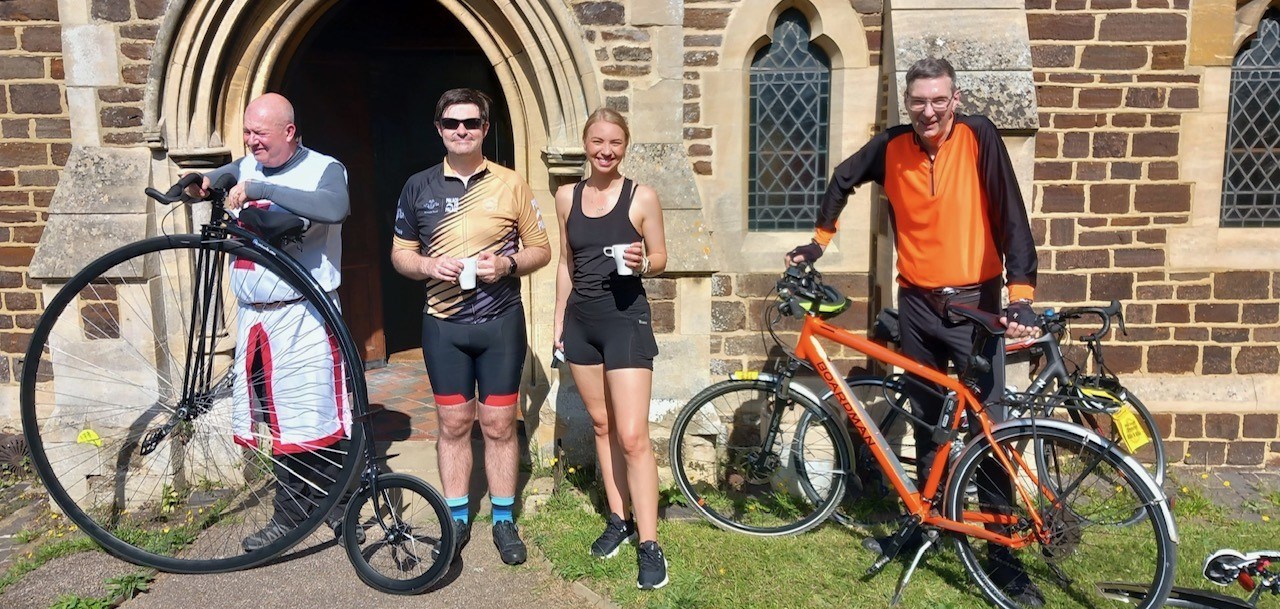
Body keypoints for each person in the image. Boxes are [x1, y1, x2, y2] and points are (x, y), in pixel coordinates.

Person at [786, 57, 1043, 606]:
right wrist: (819, 241)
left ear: (955, 99)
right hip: (919, 305)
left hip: (977, 304)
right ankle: (932, 523)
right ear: (908, 102)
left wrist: (1021, 297)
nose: (929, 111)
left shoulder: (980, 136)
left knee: (987, 428)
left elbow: (1012, 217)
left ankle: (1002, 554)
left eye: (939, 100)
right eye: (919, 101)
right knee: (928, 420)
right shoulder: (892, 146)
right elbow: (841, 179)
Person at [186, 92, 358, 552]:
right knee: (281, 421)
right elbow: (227, 173)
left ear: (289, 132)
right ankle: (300, 510)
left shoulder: (323, 168)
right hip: (255, 320)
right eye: (247, 132)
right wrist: (205, 180)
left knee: (316, 414)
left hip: (301, 314)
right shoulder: (248, 164)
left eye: (259, 134)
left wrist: (264, 191)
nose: (251, 142)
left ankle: (339, 510)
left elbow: (334, 207)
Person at [390, 88, 551, 566]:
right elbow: (400, 255)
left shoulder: (511, 183)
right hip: (443, 326)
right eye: (452, 123)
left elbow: (541, 249)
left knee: (500, 423)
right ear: (438, 128)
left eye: (472, 123)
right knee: (453, 422)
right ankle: (457, 518)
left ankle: (504, 520)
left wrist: (507, 266)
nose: (462, 131)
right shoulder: (417, 186)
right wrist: (425, 267)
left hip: (500, 322)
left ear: (486, 128)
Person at [552, 108, 669, 590]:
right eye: (598, 141)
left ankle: (649, 542)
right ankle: (617, 520)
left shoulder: (642, 196)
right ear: (586, 143)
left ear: (625, 146)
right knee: (601, 425)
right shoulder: (566, 196)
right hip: (582, 323)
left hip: (625, 321)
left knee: (633, 435)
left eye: (615, 143)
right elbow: (565, 261)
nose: (605, 150)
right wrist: (558, 321)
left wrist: (644, 261)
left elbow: (661, 257)